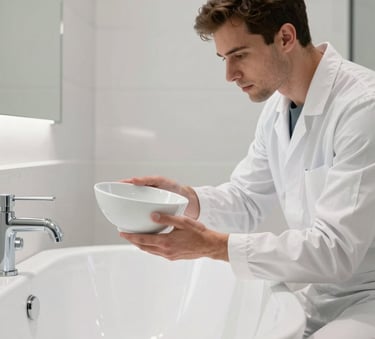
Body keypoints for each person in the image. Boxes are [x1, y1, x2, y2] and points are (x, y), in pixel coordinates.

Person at [120, 0, 375, 337]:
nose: (229, 75)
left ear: (285, 37)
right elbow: (246, 199)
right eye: (224, 59)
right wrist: (185, 199)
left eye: (239, 55)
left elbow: (337, 251)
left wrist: (212, 245)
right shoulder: (276, 111)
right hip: (321, 294)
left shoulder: (363, 107)